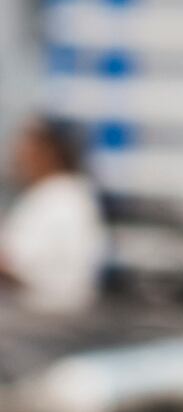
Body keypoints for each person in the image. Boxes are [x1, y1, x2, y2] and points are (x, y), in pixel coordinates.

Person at [0, 117, 107, 314]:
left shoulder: (60, 199)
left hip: (45, 320)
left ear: (48, 151)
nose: (17, 154)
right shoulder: (59, 194)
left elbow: (19, 268)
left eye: (26, 145)